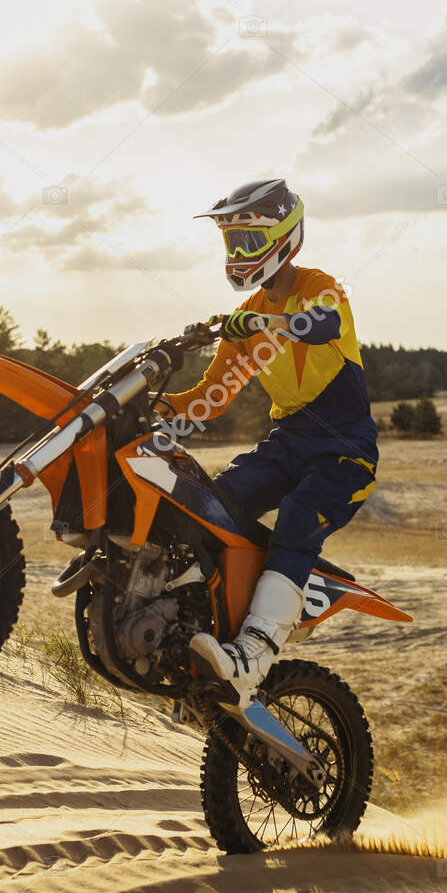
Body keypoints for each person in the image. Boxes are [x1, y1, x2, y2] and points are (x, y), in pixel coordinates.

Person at [165, 177, 378, 713]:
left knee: (297, 519)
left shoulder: (316, 285)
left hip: (343, 448)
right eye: (230, 244)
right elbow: (209, 398)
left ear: (279, 238)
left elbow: (320, 323)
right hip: (288, 441)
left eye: (245, 242)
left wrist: (259, 321)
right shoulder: (246, 321)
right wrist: (156, 407)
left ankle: (256, 653)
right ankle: (196, 631)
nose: (235, 254)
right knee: (213, 503)